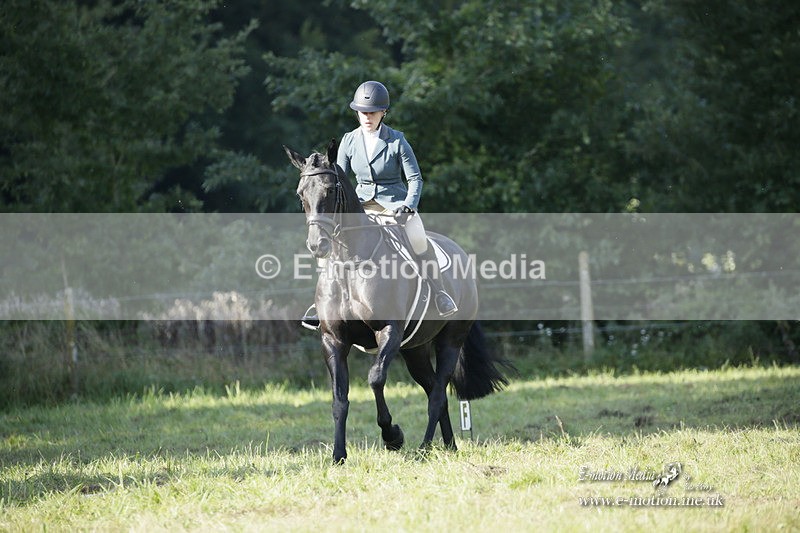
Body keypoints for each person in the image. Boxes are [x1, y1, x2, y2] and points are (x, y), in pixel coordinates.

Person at [301, 80, 457, 329]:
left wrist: (408, 205)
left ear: (383, 112)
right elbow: (339, 177)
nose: (367, 117)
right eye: (363, 112)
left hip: (394, 205)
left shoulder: (397, 141)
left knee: (417, 238)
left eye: (372, 112)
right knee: (329, 238)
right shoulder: (349, 140)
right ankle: (319, 304)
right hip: (361, 205)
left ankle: (439, 293)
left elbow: (415, 178)